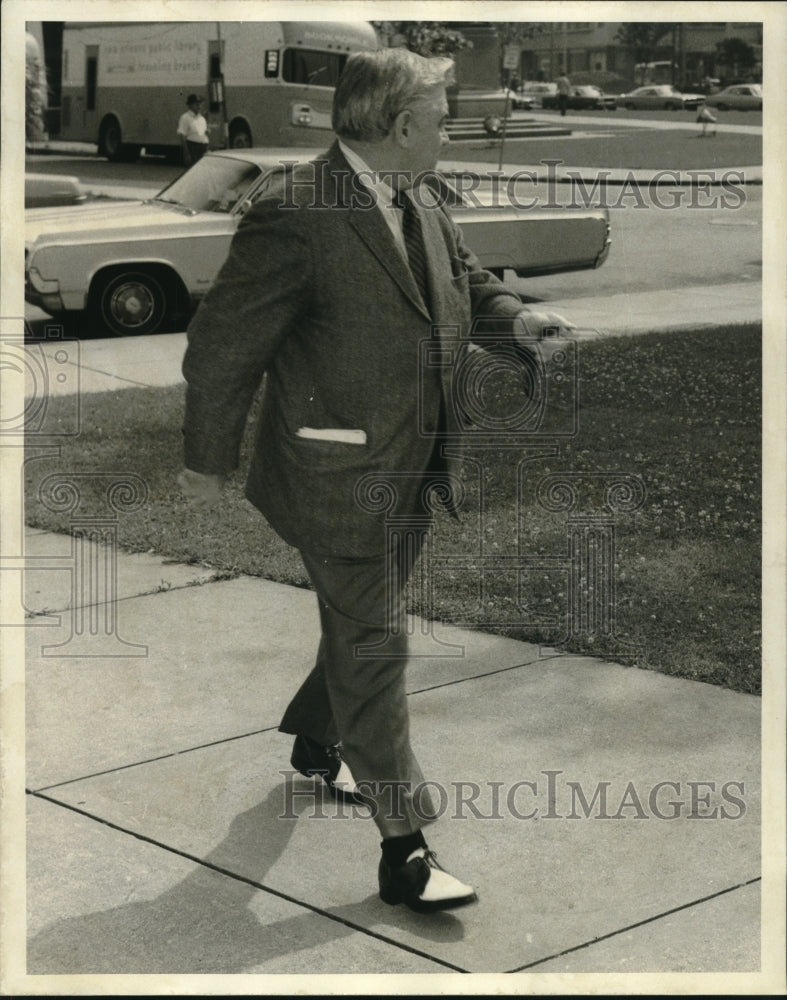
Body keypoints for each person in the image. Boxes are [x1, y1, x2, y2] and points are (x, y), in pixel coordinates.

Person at [178, 48, 573, 914]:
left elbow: (463, 285)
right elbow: (221, 345)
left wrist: (517, 319)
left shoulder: (419, 195)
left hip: (416, 463)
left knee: (366, 617)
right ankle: (407, 851)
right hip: (336, 472)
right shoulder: (296, 210)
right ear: (399, 125)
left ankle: (318, 744)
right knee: (375, 643)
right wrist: (207, 461)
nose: (446, 130)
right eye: (438, 117)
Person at [177, 94, 209, 165]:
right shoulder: (185, 117)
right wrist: (187, 154)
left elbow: (205, 134)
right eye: (197, 104)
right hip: (193, 148)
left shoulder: (202, 118)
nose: (199, 106)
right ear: (190, 105)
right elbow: (182, 136)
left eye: (200, 104)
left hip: (203, 148)